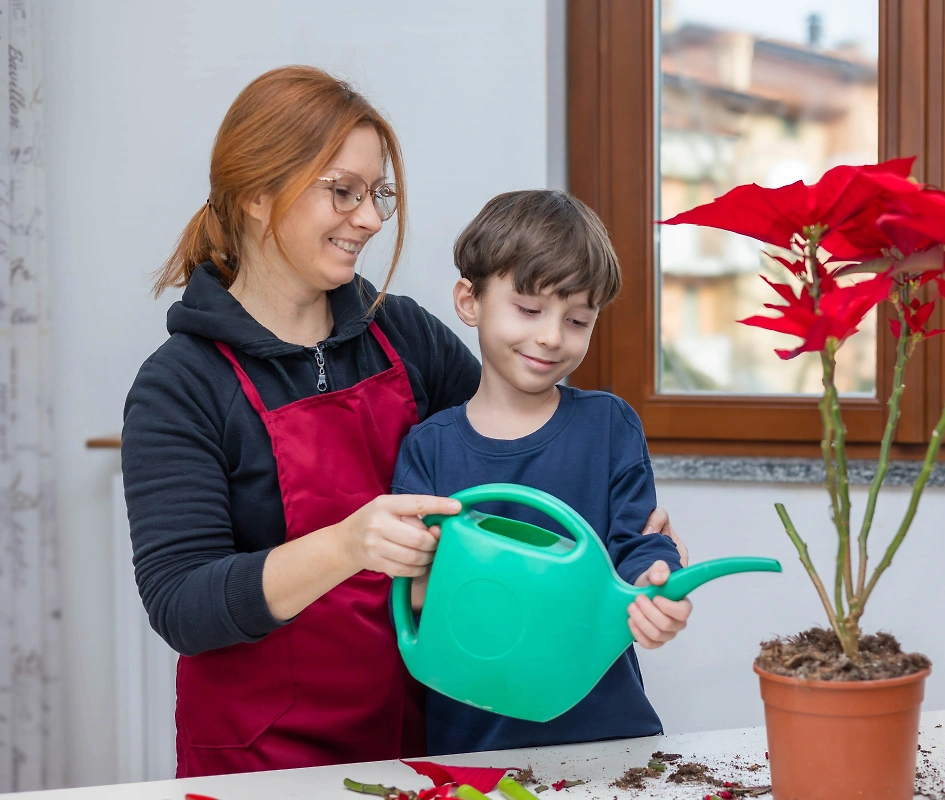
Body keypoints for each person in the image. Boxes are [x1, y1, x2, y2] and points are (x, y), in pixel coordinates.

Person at [121, 66, 687, 778]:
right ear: (259, 194)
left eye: (377, 193)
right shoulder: (181, 385)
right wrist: (347, 545)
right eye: (344, 192)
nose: (372, 218)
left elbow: (500, 457)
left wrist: (628, 543)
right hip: (268, 755)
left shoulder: (402, 336)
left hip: (421, 732)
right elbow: (183, 604)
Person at [391, 189, 692, 756]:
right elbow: (411, 587)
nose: (553, 336)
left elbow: (639, 543)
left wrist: (658, 586)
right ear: (469, 301)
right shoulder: (428, 448)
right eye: (529, 310)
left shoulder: (609, 426)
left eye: (577, 319)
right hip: (472, 741)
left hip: (609, 734)